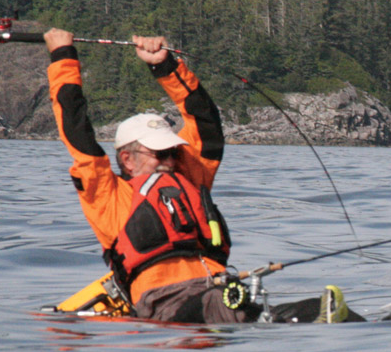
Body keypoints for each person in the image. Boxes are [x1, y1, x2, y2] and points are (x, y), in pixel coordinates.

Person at [44, 28, 249, 324]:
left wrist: (164, 66)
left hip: (220, 287)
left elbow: (205, 121)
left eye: (172, 152)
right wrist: (63, 57)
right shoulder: (108, 197)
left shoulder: (188, 176)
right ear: (127, 159)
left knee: (280, 308)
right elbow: (77, 131)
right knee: (220, 305)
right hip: (164, 302)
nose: (169, 160)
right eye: (159, 153)